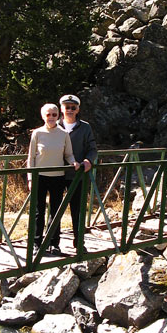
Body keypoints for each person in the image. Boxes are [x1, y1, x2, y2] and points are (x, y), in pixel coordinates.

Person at [27, 103, 78, 256]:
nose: (51, 117)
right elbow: (31, 157)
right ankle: (36, 244)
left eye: (54, 115)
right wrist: (30, 178)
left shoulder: (63, 134)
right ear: (43, 116)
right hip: (40, 177)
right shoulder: (37, 133)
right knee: (38, 212)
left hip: (58, 177)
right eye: (48, 114)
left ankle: (54, 244)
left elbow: (68, 154)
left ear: (58, 116)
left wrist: (74, 162)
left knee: (55, 212)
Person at [57, 94, 98, 251]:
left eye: (73, 107)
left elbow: (92, 148)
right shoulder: (54, 125)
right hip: (57, 175)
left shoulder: (85, 127)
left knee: (78, 210)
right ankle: (53, 244)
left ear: (78, 109)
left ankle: (79, 242)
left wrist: (88, 160)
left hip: (77, 175)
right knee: (55, 210)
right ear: (61, 108)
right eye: (67, 107)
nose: (69, 110)